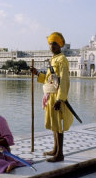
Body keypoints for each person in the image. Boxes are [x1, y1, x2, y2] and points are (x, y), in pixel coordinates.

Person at [30, 32, 73, 162]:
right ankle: (55, 149)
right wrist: (37, 73)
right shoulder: (53, 59)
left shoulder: (62, 60)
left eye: (54, 43)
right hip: (51, 96)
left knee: (59, 125)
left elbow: (64, 81)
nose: (51, 46)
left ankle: (60, 154)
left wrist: (60, 99)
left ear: (60, 44)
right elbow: (50, 80)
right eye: (50, 43)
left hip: (57, 96)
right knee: (54, 124)